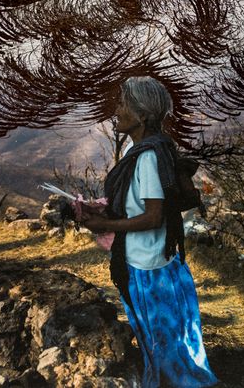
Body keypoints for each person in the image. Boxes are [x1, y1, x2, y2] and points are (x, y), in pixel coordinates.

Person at [77, 76, 218, 388]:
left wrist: (105, 225)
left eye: (123, 104)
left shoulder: (146, 158)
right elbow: (141, 204)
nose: (117, 110)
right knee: (167, 344)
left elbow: (153, 216)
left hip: (149, 269)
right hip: (155, 263)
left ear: (141, 115)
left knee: (163, 348)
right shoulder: (148, 149)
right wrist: (102, 210)